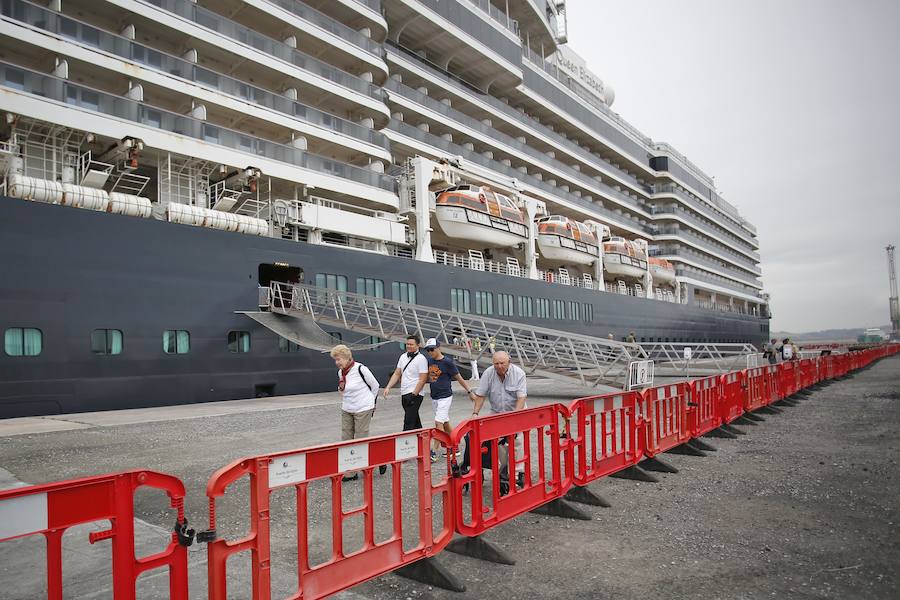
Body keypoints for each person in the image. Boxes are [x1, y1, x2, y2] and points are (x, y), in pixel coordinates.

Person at [469, 351, 528, 492]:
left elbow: (521, 398)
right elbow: (481, 395)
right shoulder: (489, 373)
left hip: (516, 412)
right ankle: (503, 472)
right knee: (500, 445)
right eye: (496, 363)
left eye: (502, 363)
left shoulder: (518, 373)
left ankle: (518, 473)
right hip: (497, 413)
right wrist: (475, 413)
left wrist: (514, 417)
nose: (499, 366)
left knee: (517, 443)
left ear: (509, 361)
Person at [330, 344, 382, 481]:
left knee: (360, 439)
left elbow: (375, 385)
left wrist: (371, 402)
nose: (337, 362)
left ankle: (375, 462)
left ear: (347, 358)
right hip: (347, 408)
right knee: (346, 440)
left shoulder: (360, 369)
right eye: (335, 360)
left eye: (339, 359)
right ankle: (351, 472)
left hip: (363, 408)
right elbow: (344, 388)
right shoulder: (341, 372)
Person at [423, 337, 474, 462]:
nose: (430, 352)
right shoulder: (429, 361)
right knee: (445, 422)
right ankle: (455, 446)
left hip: (445, 396)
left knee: (438, 422)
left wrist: (469, 391)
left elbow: (459, 377)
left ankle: (434, 451)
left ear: (438, 348)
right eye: (428, 350)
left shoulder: (448, 362)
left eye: (432, 349)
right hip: (434, 396)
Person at [382, 334, 428, 431]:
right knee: (414, 420)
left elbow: (422, 379)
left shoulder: (421, 359)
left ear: (418, 345)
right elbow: (397, 373)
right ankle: (422, 439)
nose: (409, 346)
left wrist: (414, 394)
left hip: (415, 394)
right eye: (407, 344)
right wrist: (388, 387)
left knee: (408, 421)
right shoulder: (403, 357)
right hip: (404, 392)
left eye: (411, 344)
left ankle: (404, 442)